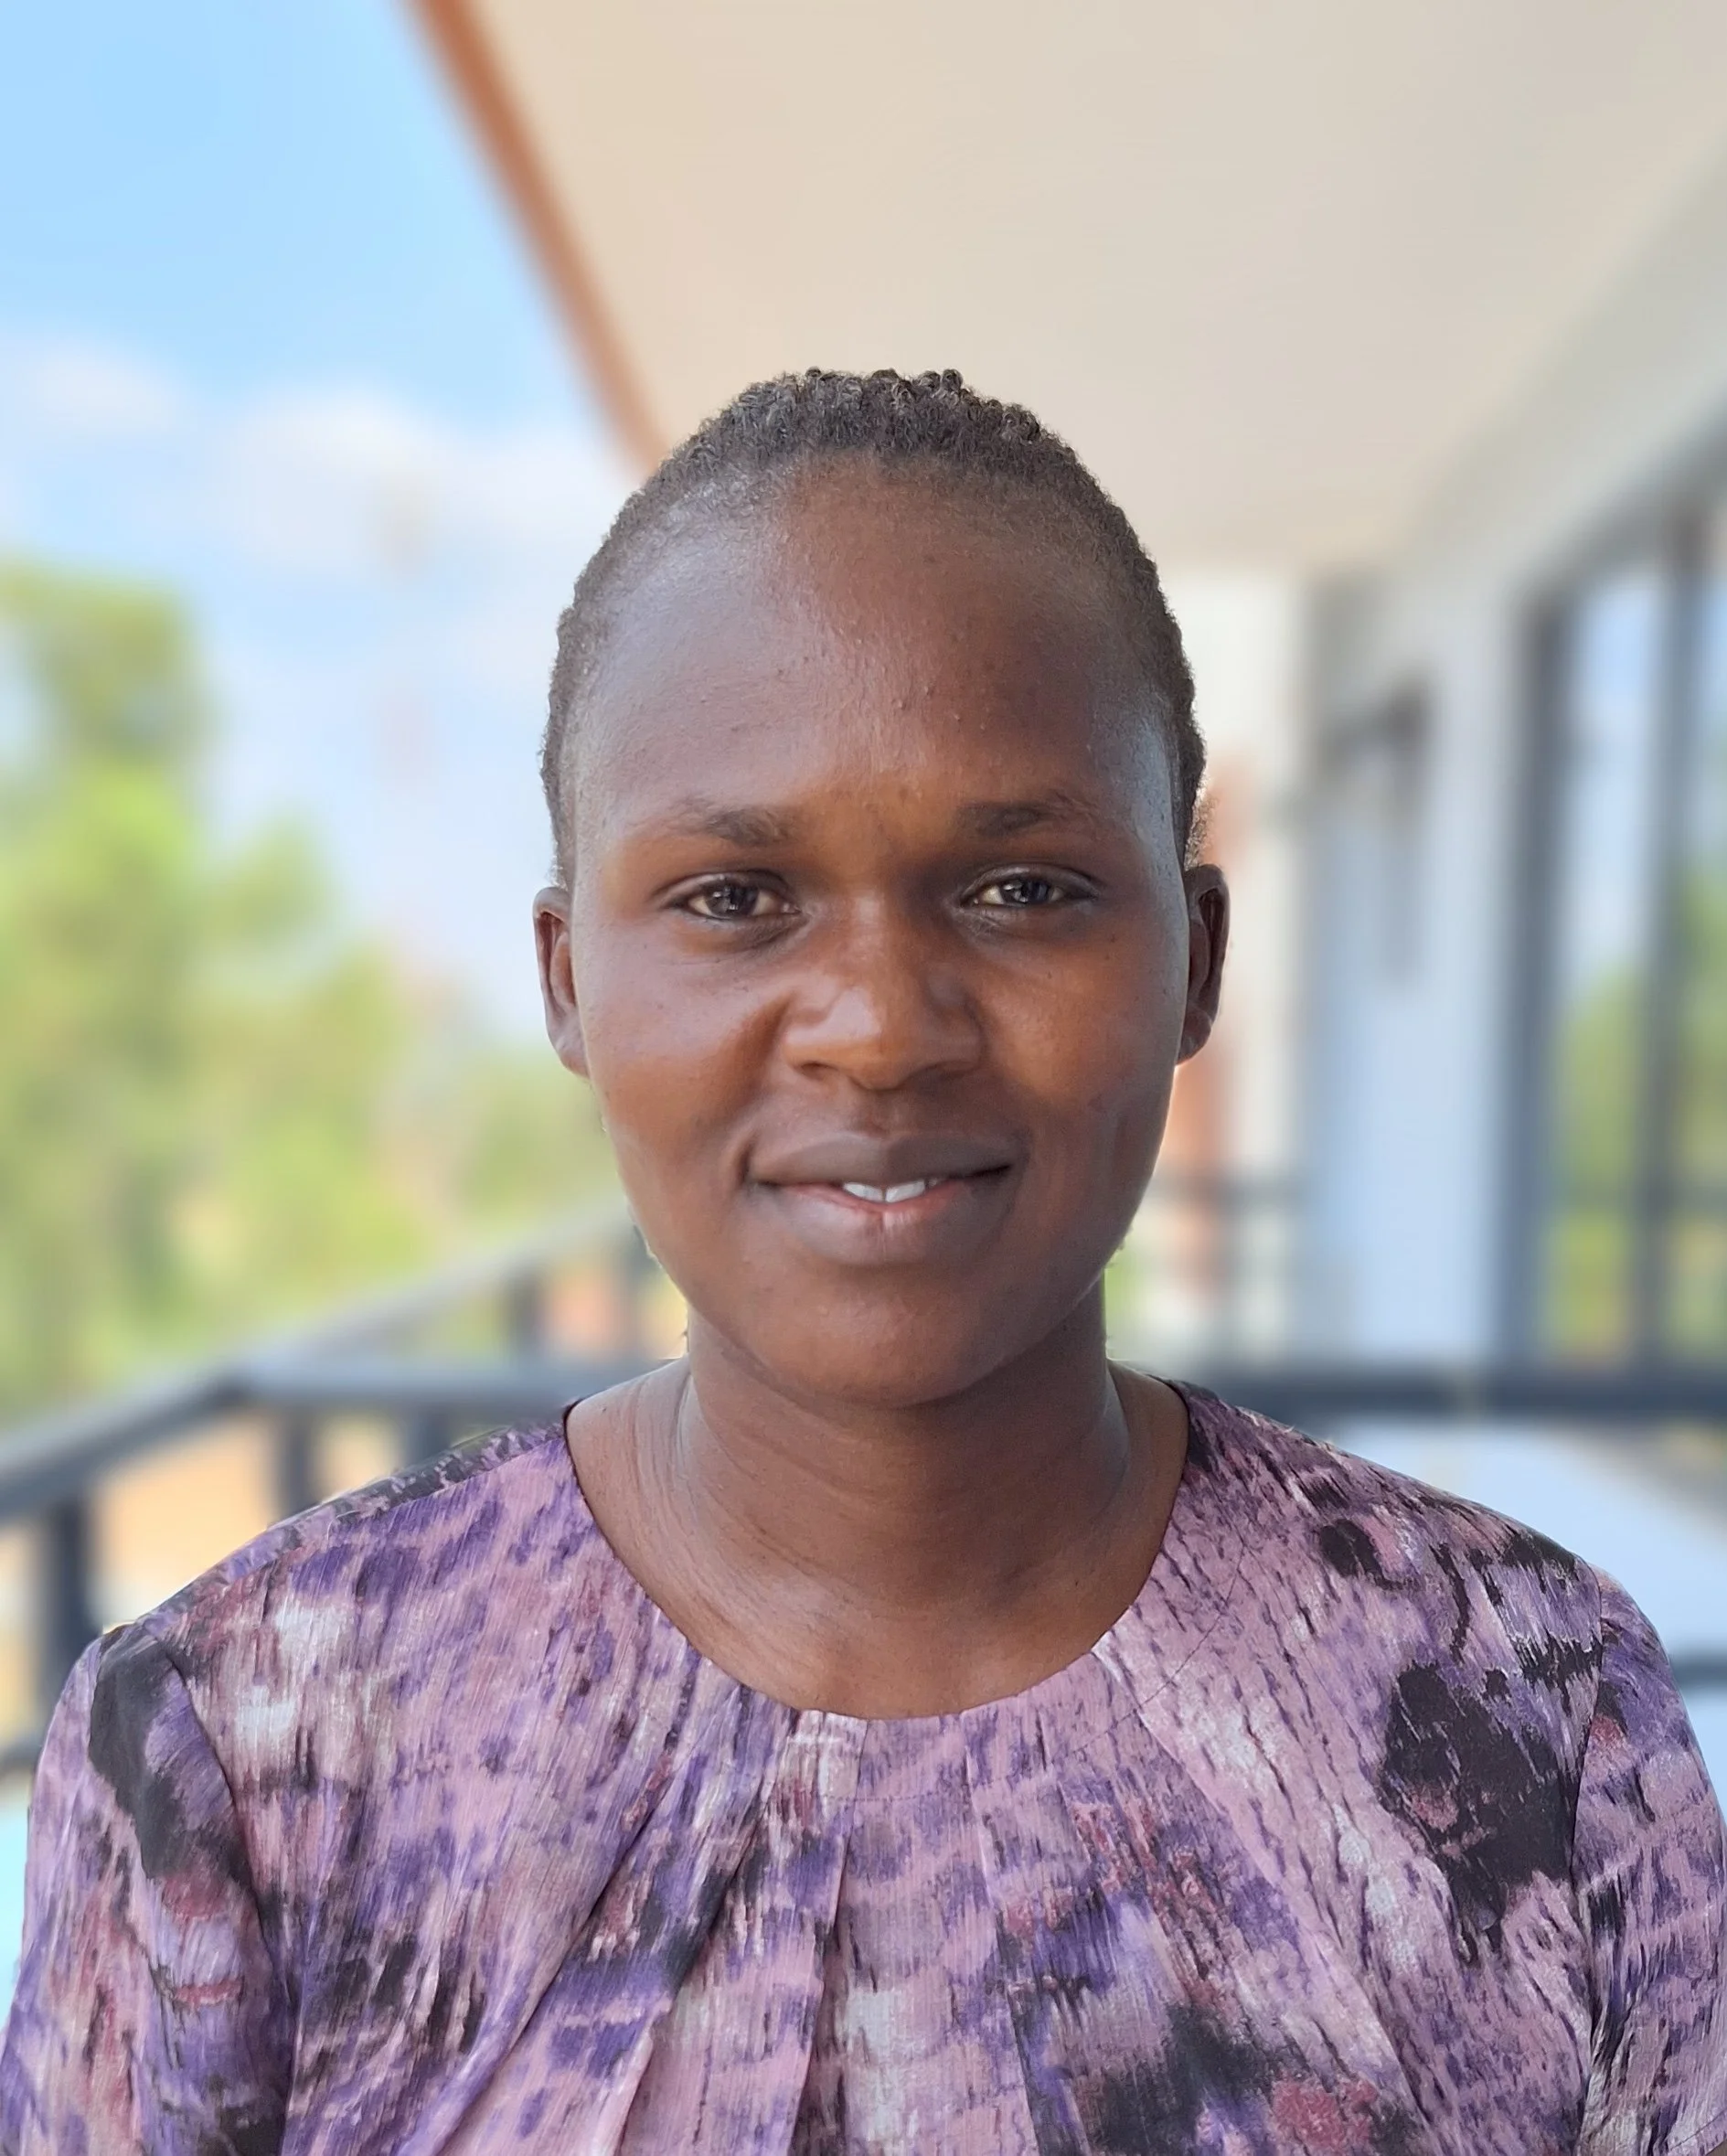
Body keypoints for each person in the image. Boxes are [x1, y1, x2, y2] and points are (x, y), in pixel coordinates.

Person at [2, 368, 1722, 2156]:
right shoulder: (245, 1752)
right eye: (735, 900)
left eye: (1021, 888)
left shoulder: (1526, 1715)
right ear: (569, 982)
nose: (882, 1030)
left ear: (1194, 961)